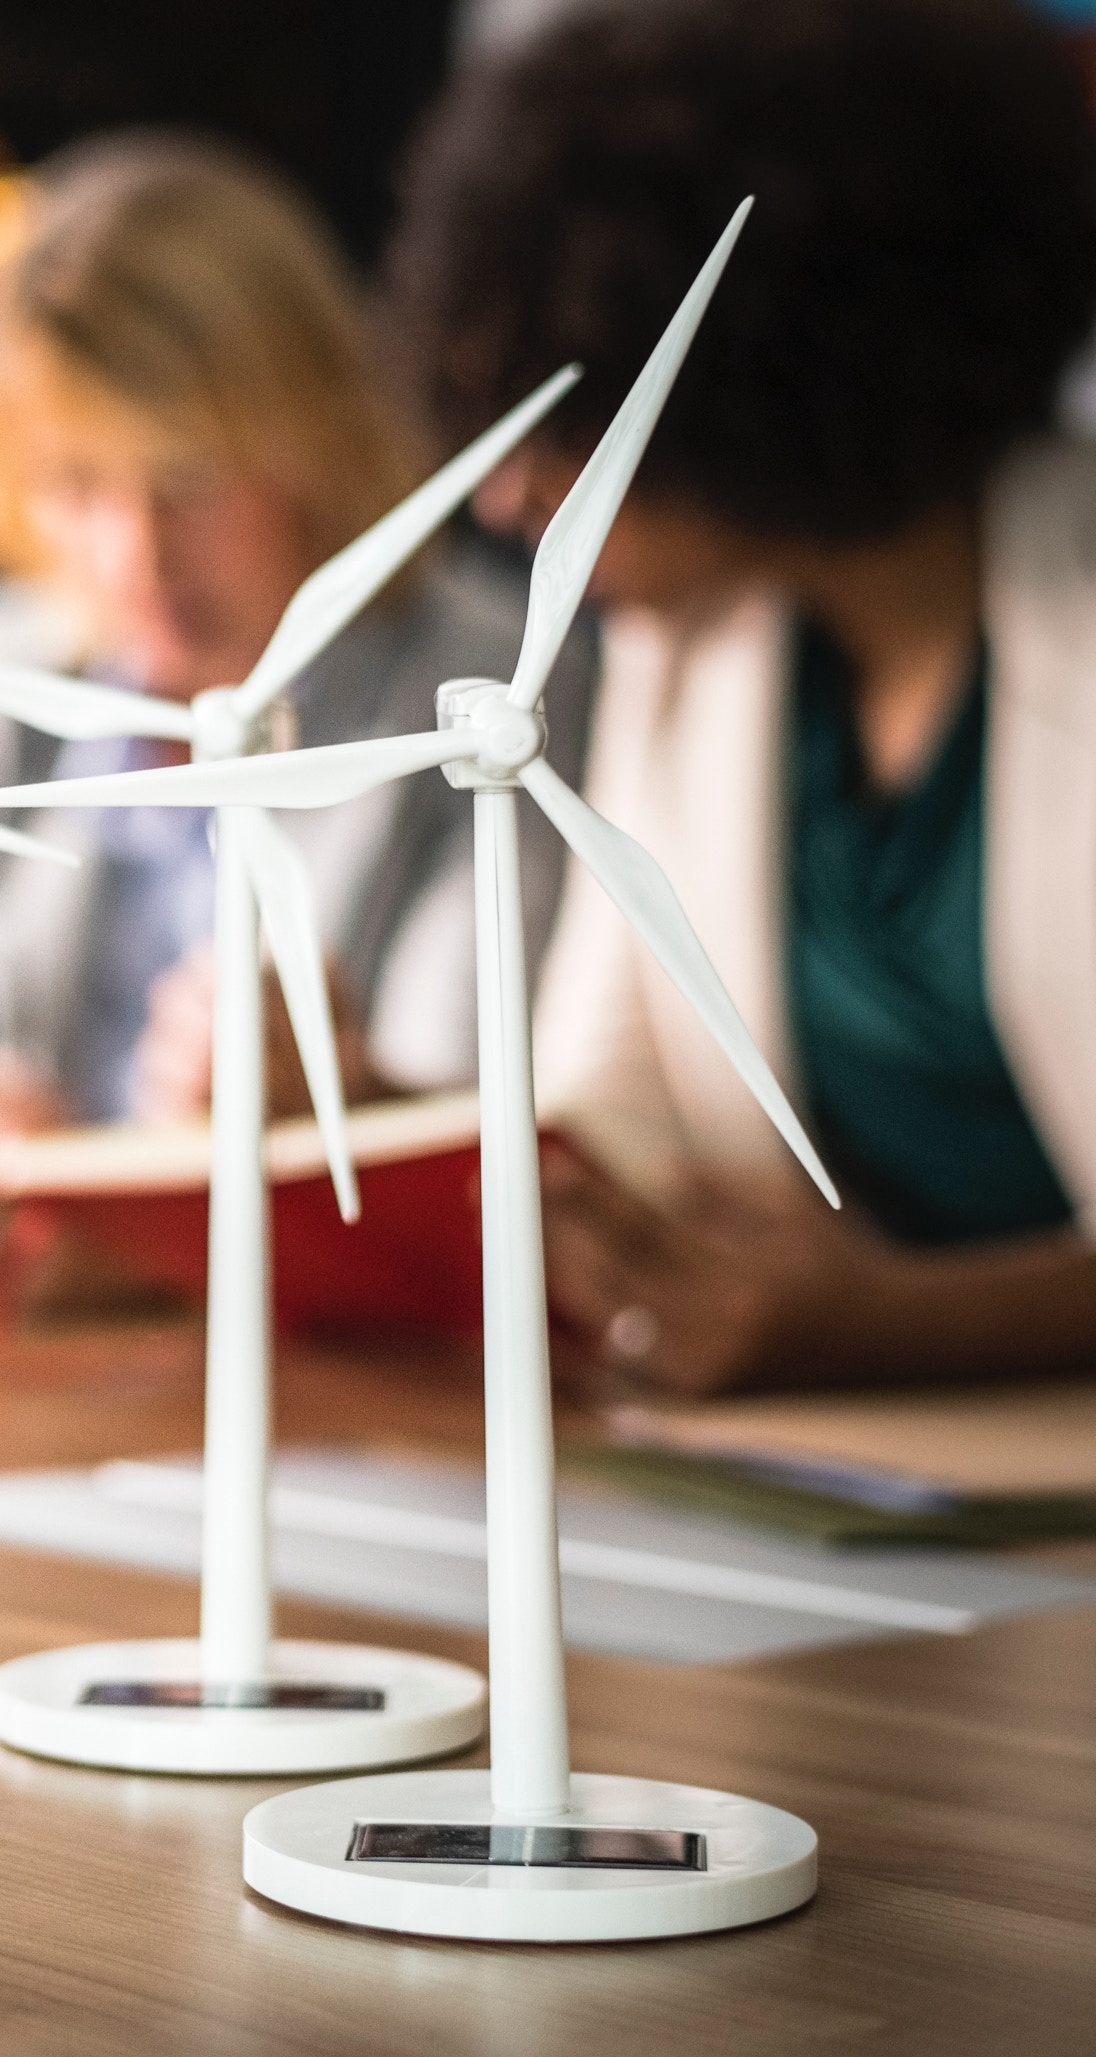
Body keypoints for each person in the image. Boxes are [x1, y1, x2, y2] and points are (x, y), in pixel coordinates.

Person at [0, 134, 595, 1307]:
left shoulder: (494, 700)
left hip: (359, 1384)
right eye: (78, 484)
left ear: (315, 440)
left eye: (189, 477)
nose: (134, 554)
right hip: (51, 1379)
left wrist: (339, 1107)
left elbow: (482, 1168)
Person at [390, 0, 1096, 1399]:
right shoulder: (687, 656)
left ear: (750, 355)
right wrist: (354, 1145)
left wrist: (899, 1324)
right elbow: (615, 1126)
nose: (509, 495)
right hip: (873, 1484)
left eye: (564, 425)